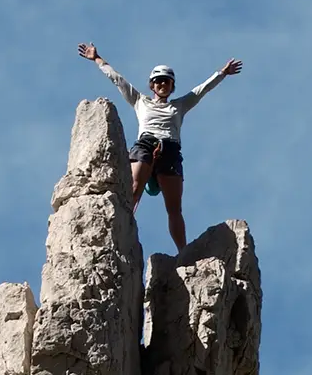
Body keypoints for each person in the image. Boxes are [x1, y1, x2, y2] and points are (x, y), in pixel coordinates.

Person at [77, 43, 243, 252]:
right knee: (134, 190)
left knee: (174, 208)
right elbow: (117, 79)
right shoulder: (140, 101)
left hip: (170, 150)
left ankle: (183, 252)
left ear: (172, 86)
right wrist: (97, 58)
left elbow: (202, 90)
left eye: (166, 81)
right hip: (145, 145)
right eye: (158, 81)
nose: (162, 84)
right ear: (152, 85)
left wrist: (222, 73)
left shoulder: (179, 105)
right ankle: (117, 232)